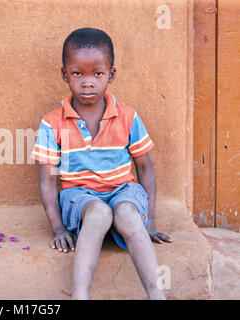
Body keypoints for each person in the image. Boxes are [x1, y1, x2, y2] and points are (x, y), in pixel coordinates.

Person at [30, 28, 173, 300]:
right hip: (80, 196)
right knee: (98, 214)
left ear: (111, 75)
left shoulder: (127, 117)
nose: (87, 83)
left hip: (123, 191)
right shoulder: (52, 122)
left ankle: (157, 295)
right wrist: (58, 227)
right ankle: (80, 296)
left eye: (97, 74)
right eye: (77, 74)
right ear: (64, 75)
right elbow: (48, 178)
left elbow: (144, 168)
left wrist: (150, 221)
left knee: (128, 216)